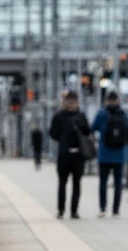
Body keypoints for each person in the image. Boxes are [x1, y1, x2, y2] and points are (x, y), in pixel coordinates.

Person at [49, 91, 92, 219]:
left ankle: (74, 210)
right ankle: (61, 209)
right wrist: (63, 139)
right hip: (64, 154)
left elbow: (87, 131)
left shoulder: (81, 116)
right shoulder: (59, 116)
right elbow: (53, 133)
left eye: (74, 102)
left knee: (77, 183)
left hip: (78, 154)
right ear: (65, 102)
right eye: (69, 102)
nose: (72, 105)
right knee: (62, 182)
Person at [91, 91, 128, 217]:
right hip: (120, 154)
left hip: (104, 154)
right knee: (118, 183)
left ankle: (103, 209)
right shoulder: (124, 114)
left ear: (106, 101)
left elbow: (92, 128)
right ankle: (116, 210)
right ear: (118, 101)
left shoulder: (102, 114)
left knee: (103, 182)